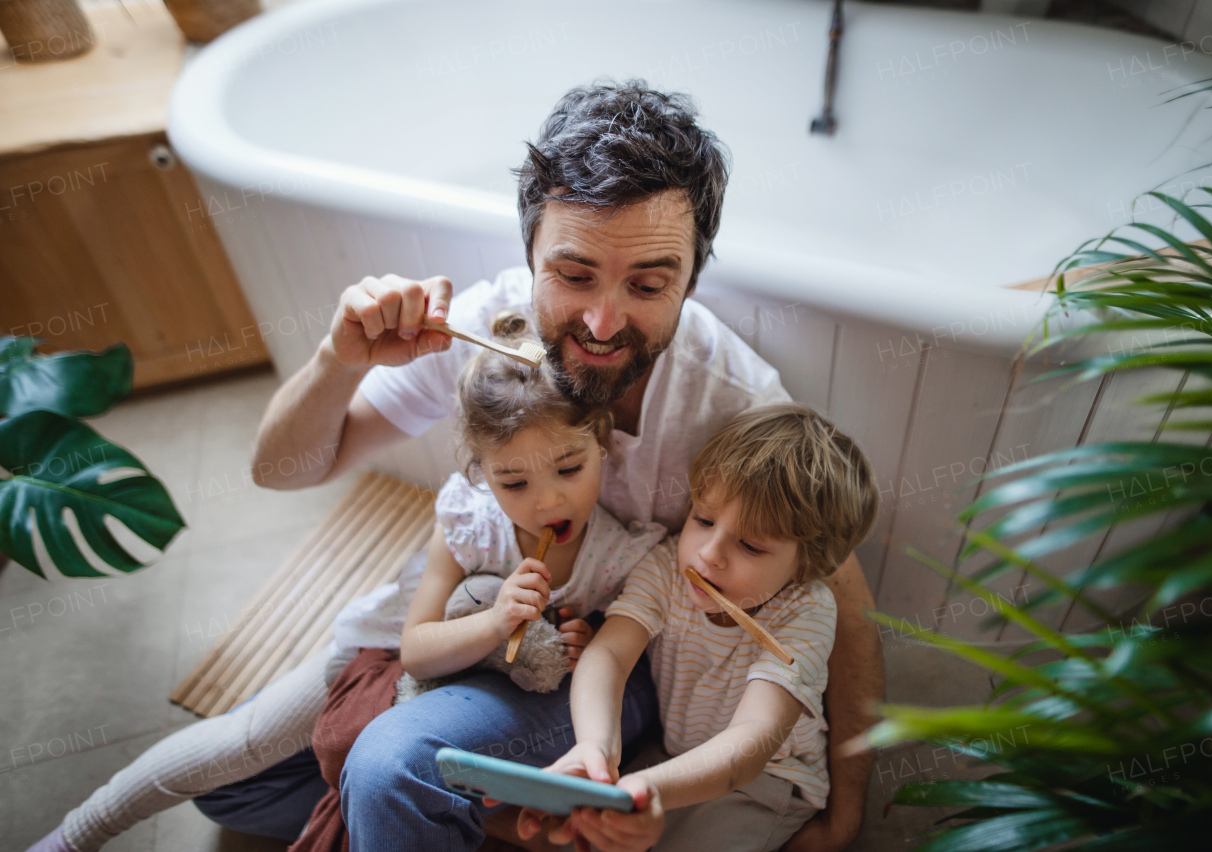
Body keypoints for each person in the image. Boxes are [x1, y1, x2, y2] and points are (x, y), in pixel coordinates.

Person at [31, 78, 882, 852]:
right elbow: (281, 472)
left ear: (694, 278)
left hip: (582, 665)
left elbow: (837, 598)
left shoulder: (736, 404)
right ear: (528, 257)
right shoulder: (489, 336)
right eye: (574, 273)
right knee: (243, 792)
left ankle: (425, 804)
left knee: (387, 768)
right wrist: (340, 356)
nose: (601, 320)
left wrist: (844, 814)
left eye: (649, 285)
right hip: (448, 634)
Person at [286, 310, 671, 851]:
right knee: (249, 781)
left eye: (569, 468)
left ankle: (446, 812)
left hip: (553, 702)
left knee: (382, 773)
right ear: (482, 474)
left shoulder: (618, 554)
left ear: (601, 442)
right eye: (513, 481)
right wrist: (495, 621)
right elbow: (416, 651)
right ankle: (463, 817)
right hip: (464, 679)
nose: (548, 502)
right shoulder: (469, 525)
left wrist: (588, 643)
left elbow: (621, 659)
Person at [514, 404, 880, 852]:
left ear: (807, 565)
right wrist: (595, 748)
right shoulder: (669, 564)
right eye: (703, 519)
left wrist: (640, 791)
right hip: (675, 757)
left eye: (749, 545)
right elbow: (608, 655)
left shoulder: (806, 611)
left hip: (765, 784)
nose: (709, 554)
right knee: (590, 833)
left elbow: (748, 746)